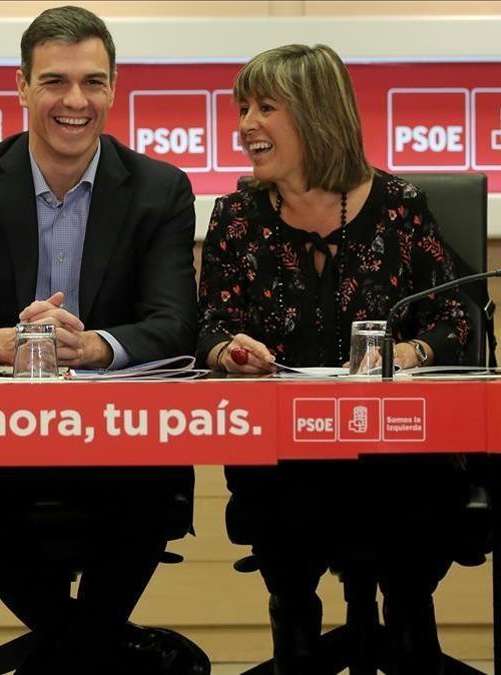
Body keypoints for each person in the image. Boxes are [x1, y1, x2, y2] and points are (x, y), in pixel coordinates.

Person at [0, 6, 203, 673]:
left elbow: (175, 323)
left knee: (151, 491)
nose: (76, 100)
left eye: (94, 82)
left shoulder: (160, 190)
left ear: (114, 89)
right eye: (55, 81)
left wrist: (91, 346)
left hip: (119, 443)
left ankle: (69, 652)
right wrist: (6, 345)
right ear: (21, 87)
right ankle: (96, 649)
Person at [197, 44, 475, 674]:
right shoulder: (236, 217)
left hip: (399, 455)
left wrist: (406, 352)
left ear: (317, 115)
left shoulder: (400, 207)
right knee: (286, 511)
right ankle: (295, 632)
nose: (245, 124)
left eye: (266, 107)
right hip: (287, 457)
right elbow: (210, 324)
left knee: (416, 508)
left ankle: (408, 628)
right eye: (243, 108)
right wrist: (229, 351)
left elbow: (457, 317)